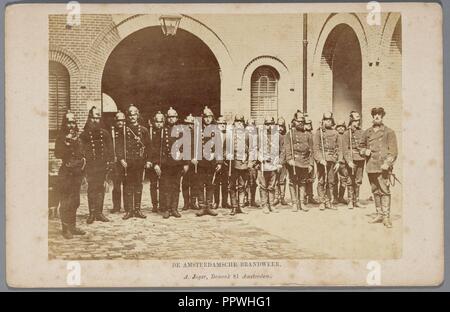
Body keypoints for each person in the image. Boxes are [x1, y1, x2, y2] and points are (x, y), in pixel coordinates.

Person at [360, 107, 398, 228]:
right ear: (372, 116)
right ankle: (379, 214)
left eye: (379, 115)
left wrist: (388, 163)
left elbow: (393, 151)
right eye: (375, 114)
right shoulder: (367, 132)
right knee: (375, 190)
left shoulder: (389, 132)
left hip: (383, 167)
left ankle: (386, 217)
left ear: (382, 116)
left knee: (385, 191)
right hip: (371, 166)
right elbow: (360, 147)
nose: (377, 116)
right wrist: (364, 150)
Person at [54, 111, 86, 239]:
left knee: (75, 201)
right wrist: (66, 143)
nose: (71, 125)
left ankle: (73, 226)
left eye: (73, 122)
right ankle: (65, 229)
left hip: (77, 173)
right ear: (64, 123)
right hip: (66, 173)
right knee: (66, 201)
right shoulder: (60, 138)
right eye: (68, 122)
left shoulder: (78, 137)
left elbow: (82, 152)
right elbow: (58, 154)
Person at [80, 106, 113, 224]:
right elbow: (81, 150)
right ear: (89, 118)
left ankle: (99, 213)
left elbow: (110, 149)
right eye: (93, 117)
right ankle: (92, 213)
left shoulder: (105, 133)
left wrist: (110, 163)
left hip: (102, 165)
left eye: (98, 117)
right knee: (92, 189)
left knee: (101, 188)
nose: (96, 120)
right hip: (91, 166)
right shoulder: (84, 135)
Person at [119, 105, 151, 220]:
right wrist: (121, 159)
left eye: (134, 114)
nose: (132, 117)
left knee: (138, 185)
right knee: (128, 185)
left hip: (139, 162)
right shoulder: (124, 129)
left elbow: (148, 146)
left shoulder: (144, 130)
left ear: (137, 115)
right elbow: (119, 146)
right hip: (128, 162)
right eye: (130, 114)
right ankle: (129, 210)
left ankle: (137, 209)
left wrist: (148, 161)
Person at [151, 107, 183, 219]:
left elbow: (186, 148)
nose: (171, 119)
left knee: (176, 185)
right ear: (166, 118)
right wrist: (156, 163)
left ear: (177, 118)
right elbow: (155, 149)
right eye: (169, 117)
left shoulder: (182, 131)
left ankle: (174, 208)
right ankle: (167, 209)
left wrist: (186, 163)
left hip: (177, 163)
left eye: (173, 117)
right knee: (165, 186)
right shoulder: (161, 131)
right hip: (165, 164)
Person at [282, 111, 314, 212]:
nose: (300, 123)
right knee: (292, 182)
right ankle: (294, 203)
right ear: (294, 121)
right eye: (298, 121)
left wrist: (311, 164)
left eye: (302, 121)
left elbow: (312, 150)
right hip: (294, 161)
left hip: (304, 161)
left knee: (303, 182)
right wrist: (289, 159)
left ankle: (302, 203)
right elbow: (287, 148)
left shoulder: (308, 134)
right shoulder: (289, 134)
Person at [194, 106, 222, 217]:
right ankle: (202, 206)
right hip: (200, 162)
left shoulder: (216, 130)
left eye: (209, 117)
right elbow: (193, 145)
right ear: (202, 118)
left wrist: (219, 162)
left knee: (211, 184)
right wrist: (193, 157)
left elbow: (219, 146)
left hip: (211, 161)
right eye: (205, 117)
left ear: (212, 118)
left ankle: (209, 206)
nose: (207, 119)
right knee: (200, 184)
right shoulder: (198, 129)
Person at [313, 112, 343, 211]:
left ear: (332, 121)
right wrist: (320, 159)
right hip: (322, 160)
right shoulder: (319, 133)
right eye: (326, 120)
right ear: (323, 121)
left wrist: (338, 161)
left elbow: (339, 148)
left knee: (331, 181)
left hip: (332, 160)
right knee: (322, 181)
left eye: (330, 120)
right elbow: (316, 148)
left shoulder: (336, 133)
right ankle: (322, 201)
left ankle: (329, 201)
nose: (328, 121)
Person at [342, 111, 366, 209]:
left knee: (358, 180)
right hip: (351, 160)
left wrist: (363, 151)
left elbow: (365, 144)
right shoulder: (347, 133)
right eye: (355, 121)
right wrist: (349, 161)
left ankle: (356, 200)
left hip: (360, 159)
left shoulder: (362, 132)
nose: (357, 122)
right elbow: (345, 149)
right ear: (351, 120)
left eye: (358, 120)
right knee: (350, 180)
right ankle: (350, 201)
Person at [228, 114, 251, 215]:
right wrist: (227, 155)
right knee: (232, 186)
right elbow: (224, 148)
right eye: (237, 122)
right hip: (232, 163)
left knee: (242, 185)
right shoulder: (230, 134)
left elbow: (251, 148)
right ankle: (234, 206)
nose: (240, 124)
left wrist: (250, 160)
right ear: (234, 123)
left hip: (243, 163)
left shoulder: (247, 134)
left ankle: (241, 206)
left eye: (241, 122)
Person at [258, 116, 281, 214]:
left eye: (271, 124)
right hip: (263, 165)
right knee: (263, 186)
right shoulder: (259, 136)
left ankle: (271, 205)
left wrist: (279, 162)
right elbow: (254, 149)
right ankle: (264, 205)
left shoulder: (277, 136)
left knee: (272, 186)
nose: (269, 126)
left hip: (273, 165)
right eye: (267, 124)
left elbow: (281, 150)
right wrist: (261, 158)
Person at [148, 111, 165, 213]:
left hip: (163, 163)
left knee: (163, 184)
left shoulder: (166, 133)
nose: (159, 124)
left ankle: (163, 204)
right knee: (153, 184)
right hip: (153, 164)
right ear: (154, 122)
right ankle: (155, 204)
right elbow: (150, 150)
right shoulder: (151, 133)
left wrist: (161, 163)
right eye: (157, 122)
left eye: (161, 122)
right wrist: (155, 164)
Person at [181, 113, 198, 211]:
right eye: (188, 124)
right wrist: (187, 160)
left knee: (195, 182)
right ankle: (186, 203)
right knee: (185, 183)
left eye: (192, 124)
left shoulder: (197, 135)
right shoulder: (181, 135)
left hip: (195, 163)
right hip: (185, 162)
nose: (190, 126)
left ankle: (193, 202)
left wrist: (196, 158)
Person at [110, 111, 126, 213]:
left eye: (122, 120)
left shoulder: (127, 131)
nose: (120, 123)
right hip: (116, 163)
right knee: (116, 186)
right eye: (118, 120)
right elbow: (110, 147)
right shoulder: (112, 132)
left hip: (126, 162)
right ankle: (116, 206)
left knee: (127, 185)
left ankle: (127, 206)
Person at [213, 116, 230, 209]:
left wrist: (226, 157)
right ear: (217, 124)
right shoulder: (213, 135)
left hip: (226, 163)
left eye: (224, 124)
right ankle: (216, 202)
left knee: (225, 183)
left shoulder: (228, 135)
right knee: (215, 182)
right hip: (216, 162)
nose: (222, 125)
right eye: (220, 124)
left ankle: (224, 202)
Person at [303, 116, 319, 204]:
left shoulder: (313, 135)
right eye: (306, 124)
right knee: (303, 178)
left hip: (312, 158)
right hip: (303, 159)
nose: (308, 125)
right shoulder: (302, 134)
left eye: (309, 124)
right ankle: (303, 197)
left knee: (311, 178)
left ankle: (310, 196)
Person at [333, 120, 349, 205]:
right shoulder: (334, 135)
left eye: (343, 127)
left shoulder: (347, 136)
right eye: (339, 127)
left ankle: (341, 197)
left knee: (344, 179)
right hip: (335, 161)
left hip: (345, 162)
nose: (341, 128)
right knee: (334, 180)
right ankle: (335, 197)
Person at [274, 117, 288, 206]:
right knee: (275, 180)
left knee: (282, 180)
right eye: (278, 126)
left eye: (282, 126)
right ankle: (276, 197)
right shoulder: (272, 136)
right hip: (274, 161)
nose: (280, 128)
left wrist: (281, 161)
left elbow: (285, 150)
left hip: (283, 161)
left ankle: (282, 197)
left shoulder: (286, 137)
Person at [246, 119, 259, 208]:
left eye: (252, 127)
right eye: (248, 127)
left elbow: (260, 150)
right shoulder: (243, 138)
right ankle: (246, 200)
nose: (250, 129)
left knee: (253, 182)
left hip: (254, 163)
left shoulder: (258, 138)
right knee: (244, 182)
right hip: (245, 163)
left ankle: (252, 200)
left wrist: (257, 162)